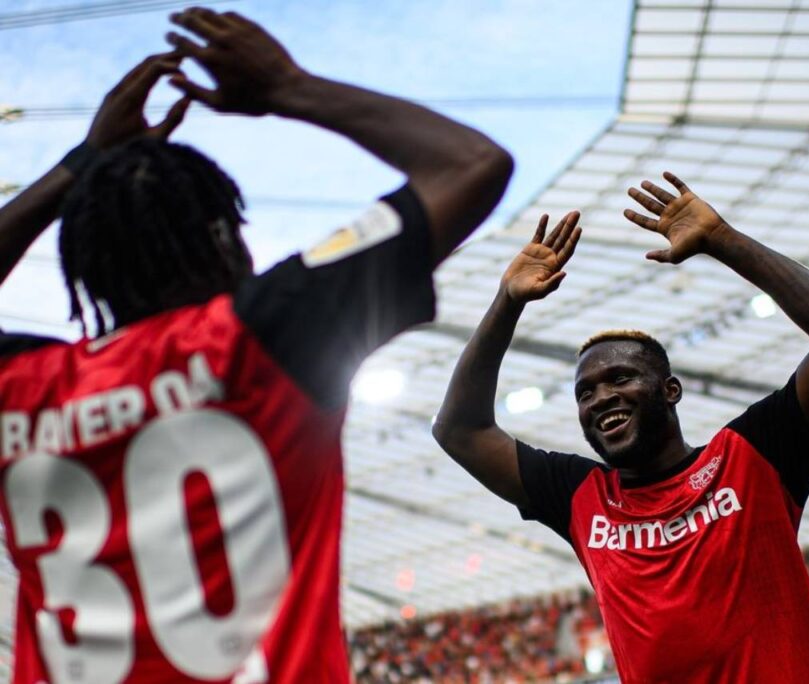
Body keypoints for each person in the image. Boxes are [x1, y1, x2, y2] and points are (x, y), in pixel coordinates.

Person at [0, 7, 511, 683]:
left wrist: (80, 164)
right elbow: (471, 164)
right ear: (220, 238)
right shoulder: (269, 332)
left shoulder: (21, 387)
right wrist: (286, 87)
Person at [433, 173, 809, 683]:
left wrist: (723, 240)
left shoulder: (752, 455)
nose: (601, 398)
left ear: (670, 390)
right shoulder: (581, 496)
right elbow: (459, 430)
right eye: (585, 392)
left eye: (619, 378)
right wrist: (506, 304)